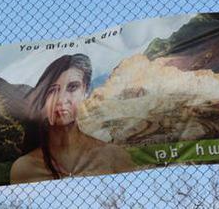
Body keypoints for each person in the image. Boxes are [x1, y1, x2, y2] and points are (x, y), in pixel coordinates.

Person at [10, 54, 135, 184]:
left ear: (86, 90)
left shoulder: (114, 157)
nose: (62, 100)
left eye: (72, 87)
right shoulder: (24, 168)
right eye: (53, 90)